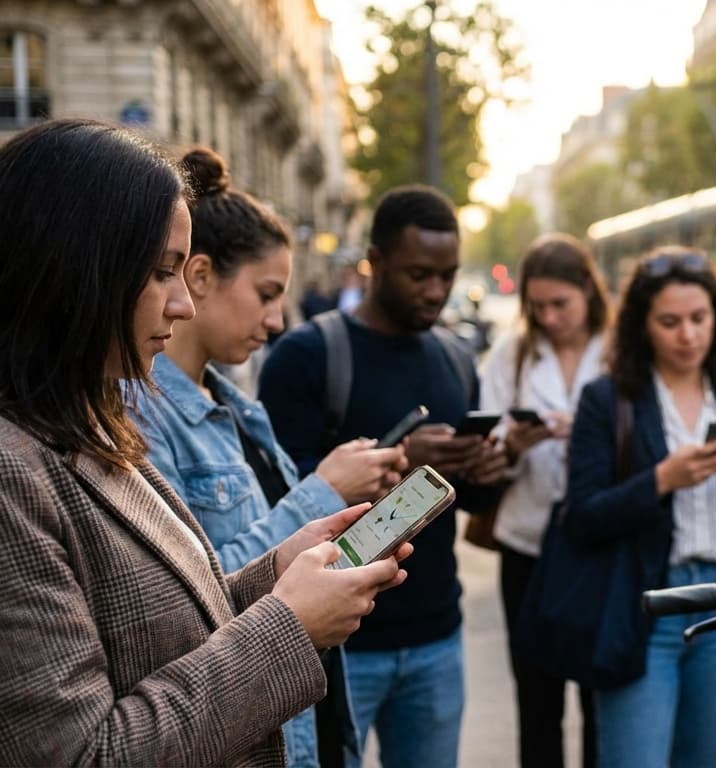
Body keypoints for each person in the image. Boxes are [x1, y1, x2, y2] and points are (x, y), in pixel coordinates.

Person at [0, 118, 412, 765]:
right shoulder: (13, 472)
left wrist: (271, 576)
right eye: (161, 272)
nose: (182, 305)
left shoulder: (90, 422)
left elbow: (163, 626)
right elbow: (84, 754)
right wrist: (288, 628)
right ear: (79, 268)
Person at [130, 147, 409, 767]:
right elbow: (183, 599)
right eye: (265, 293)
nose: (277, 319)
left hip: (304, 713)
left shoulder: (235, 405)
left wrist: (343, 526)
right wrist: (322, 491)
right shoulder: (140, 411)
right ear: (200, 277)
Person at [259, 184, 508, 768]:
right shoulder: (308, 354)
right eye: (418, 274)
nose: (436, 290)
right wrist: (400, 466)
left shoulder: (454, 357)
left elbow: (468, 501)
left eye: (447, 275)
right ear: (374, 262)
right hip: (335, 648)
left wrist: (487, 470)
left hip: (436, 636)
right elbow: (276, 501)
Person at [565, 246, 716, 767]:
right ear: (642, 325)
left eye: (698, 318)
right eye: (670, 322)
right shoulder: (608, 398)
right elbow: (582, 517)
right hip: (643, 609)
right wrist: (661, 480)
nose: (688, 335)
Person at [479, 233, 609, 768]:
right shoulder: (512, 355)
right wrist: (510, 445)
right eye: (538, 307)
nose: (550, 318)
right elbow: (485, 448)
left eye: (562, 305)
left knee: (605, 697)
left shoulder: (621, 350)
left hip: (605, 549)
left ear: (588, 292)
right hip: (528, 547)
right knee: (537, 701)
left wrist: (589, 434)